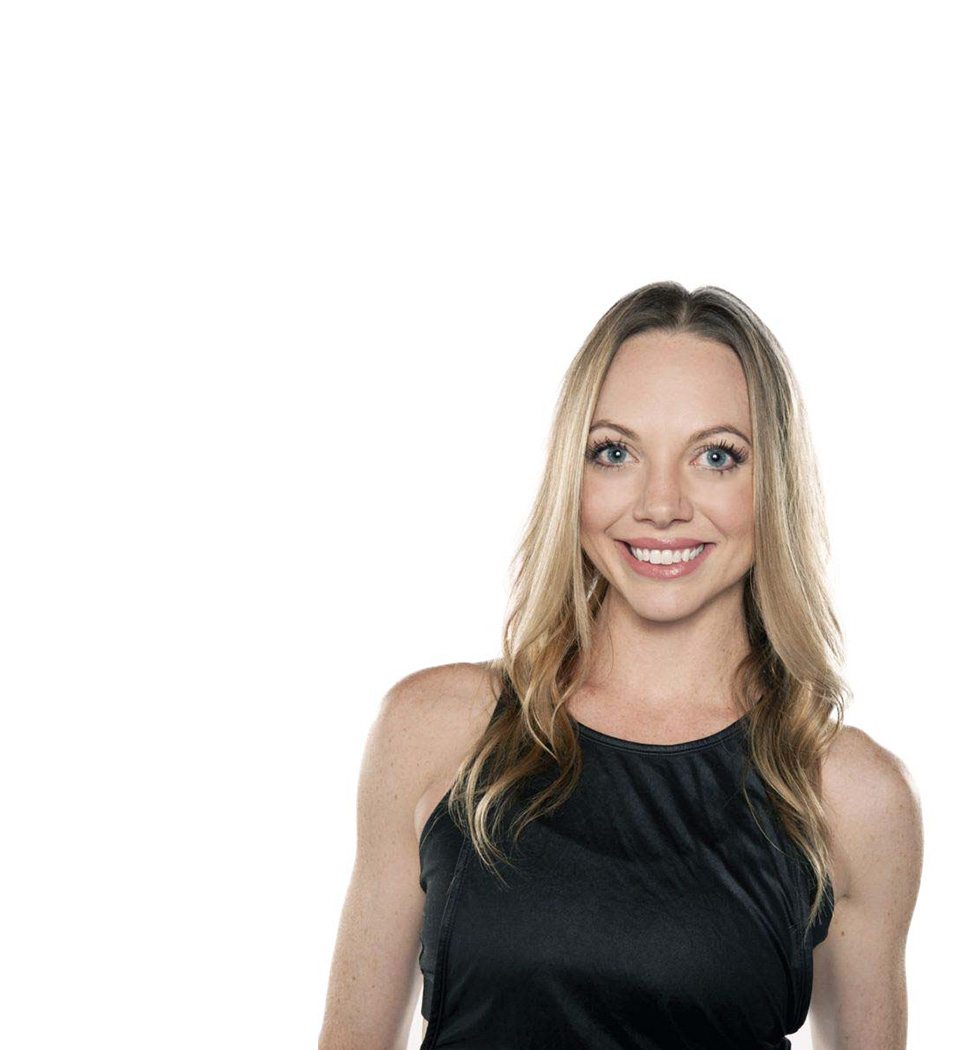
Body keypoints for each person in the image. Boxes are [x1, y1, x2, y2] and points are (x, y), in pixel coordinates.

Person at [316, 281, 924, 1050]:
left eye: (715, 456)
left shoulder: (851, 795)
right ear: (574, 473)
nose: (661, 504)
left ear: (772, 484)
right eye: (616, 452)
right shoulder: (434, 730)